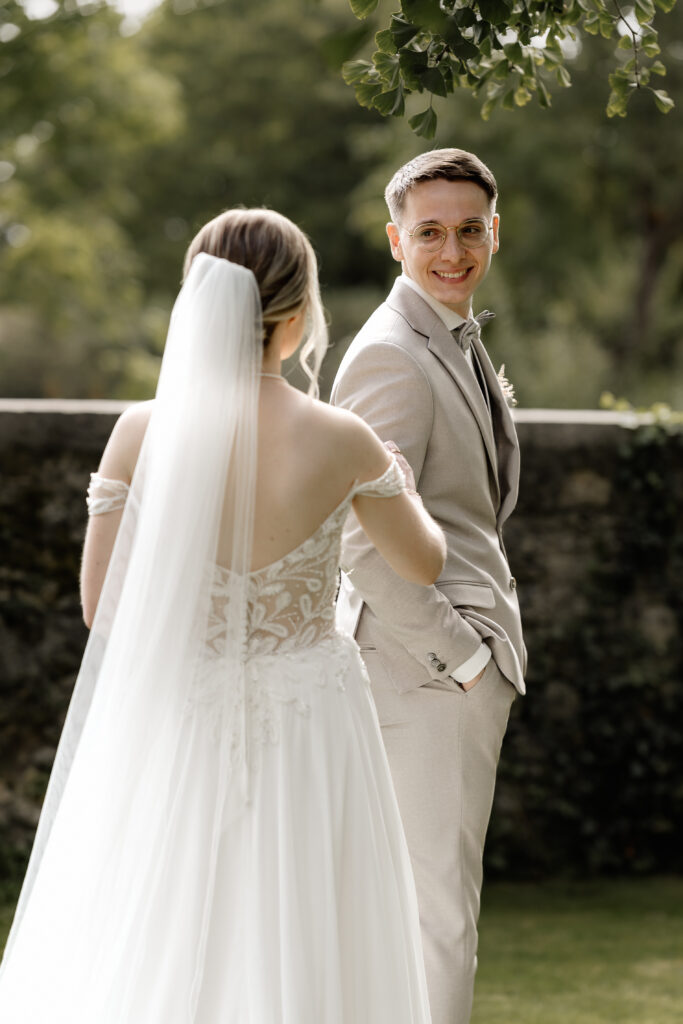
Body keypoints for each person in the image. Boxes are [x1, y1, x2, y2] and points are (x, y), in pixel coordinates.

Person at [0, 208, 446, 1023]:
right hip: (310, 719)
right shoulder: (344, 439)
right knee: (308, 918)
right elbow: (423, 564)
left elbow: (102, 611)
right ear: (298, 310)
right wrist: (402, 489)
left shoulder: (139, 432)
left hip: (181, 713)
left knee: (168, 918)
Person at [332, 149, 527, 1024]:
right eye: (430, 233)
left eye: (469, 230)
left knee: (417, 912)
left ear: (495, 232)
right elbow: (358, 539)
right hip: (423, 675)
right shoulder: (390, 356)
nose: (453, 251)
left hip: (439, 674)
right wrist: (463, 659)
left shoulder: (447, 338)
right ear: (394, 240)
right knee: (438, 918)